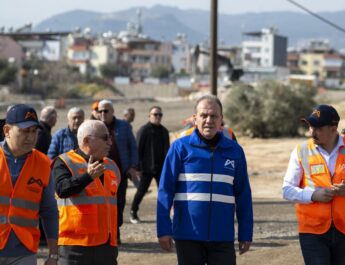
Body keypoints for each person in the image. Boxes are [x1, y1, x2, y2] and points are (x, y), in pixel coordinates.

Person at [157, 95, 253, 265]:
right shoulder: (180, 148)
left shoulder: (235, 151)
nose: (209, 120)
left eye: (214, 116)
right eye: (203, 115)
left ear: (221, 119)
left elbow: (243, 194)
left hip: (222, 236)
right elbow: (165, 190)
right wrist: (163, 229)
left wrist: (246, 233)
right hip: (188, 236)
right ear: (195, 119)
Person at [283, 104, 345, 265]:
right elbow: (287, 190)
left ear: (333, 128)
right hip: (312, 232)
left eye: (317, 127)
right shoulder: (301, 150)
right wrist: (313, 195)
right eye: (310, 126)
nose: (312, 132)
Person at [53, 120, 121, 265]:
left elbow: (114, 204)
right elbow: (62, 189)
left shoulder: (112, 166)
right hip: (75, 247)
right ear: (86, 140)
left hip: (106, 246)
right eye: (105, 138)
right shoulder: (64, 162)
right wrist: (87, 177)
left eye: (110, 137)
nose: (110, 142)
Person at [0, 104, 59, 265]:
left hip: (24, 252)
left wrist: (53, 254)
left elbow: (49, 211)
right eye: (25, 131)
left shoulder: (43, 163)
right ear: (7, 131)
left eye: (34, 131)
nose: (31, 137)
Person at [97, 99, 138, 242]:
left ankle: (115, 232)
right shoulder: (95, 127)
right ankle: (105, 233)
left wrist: (132, 166)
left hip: (120, 173)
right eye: (100, 111)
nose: (102, 113)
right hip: (99, 174)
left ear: (112, 112)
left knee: (119, 203)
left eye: (105, 111)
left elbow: (133, 147)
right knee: (102, 204)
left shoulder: (124, 126)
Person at [130, 106, 170, 224]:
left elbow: (167, 151)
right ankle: (133, 212)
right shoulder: (144, 130)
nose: (157, 117)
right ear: (149, 116)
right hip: (146, 168)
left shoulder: (164, 131)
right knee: (141, 191)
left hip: (161, 168)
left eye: (159, 115)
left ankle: (164, 215)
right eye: (155, 114)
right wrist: (137, 168)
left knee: (163, 192)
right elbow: (137, 149)